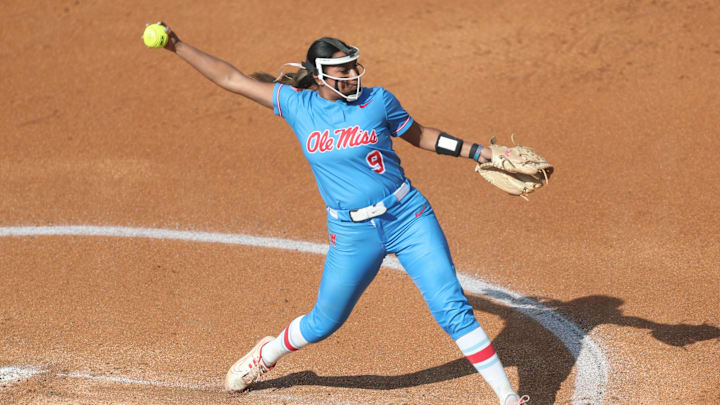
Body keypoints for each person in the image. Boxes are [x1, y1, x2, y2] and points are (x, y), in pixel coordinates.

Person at [154, 23, 529, 405]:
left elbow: (421, 136)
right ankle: (266, 355)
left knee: (452, 310)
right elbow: (232, 78)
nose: (353, 74)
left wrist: (480, 153)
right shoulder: (297, 106)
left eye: (354, 66)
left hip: (408, 217)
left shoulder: (378, 101)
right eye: (343, 70)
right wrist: (177, 45)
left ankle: (508, 398)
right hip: (352, 235)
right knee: (323, 323)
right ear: (319, 76)